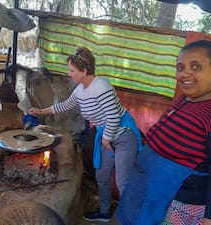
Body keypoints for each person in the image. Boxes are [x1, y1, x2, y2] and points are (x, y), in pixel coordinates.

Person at [115, 39, 211, 225]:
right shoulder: (184, 99)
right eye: (180, 67)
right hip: (144, 188)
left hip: (174, 204)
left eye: (195, 66)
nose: (184, 74)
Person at [29, 47, 142, 222]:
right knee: (102, 176)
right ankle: (104, 212)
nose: (70, 74)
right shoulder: (80, 90)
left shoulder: (101, 86)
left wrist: (105, 139)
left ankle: (132, 218)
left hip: (123, 135)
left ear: (84, 70)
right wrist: (40, 111)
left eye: (72, 70)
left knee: (122, 181)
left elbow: (113, 116)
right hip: (107, 136)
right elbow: (64, 106)